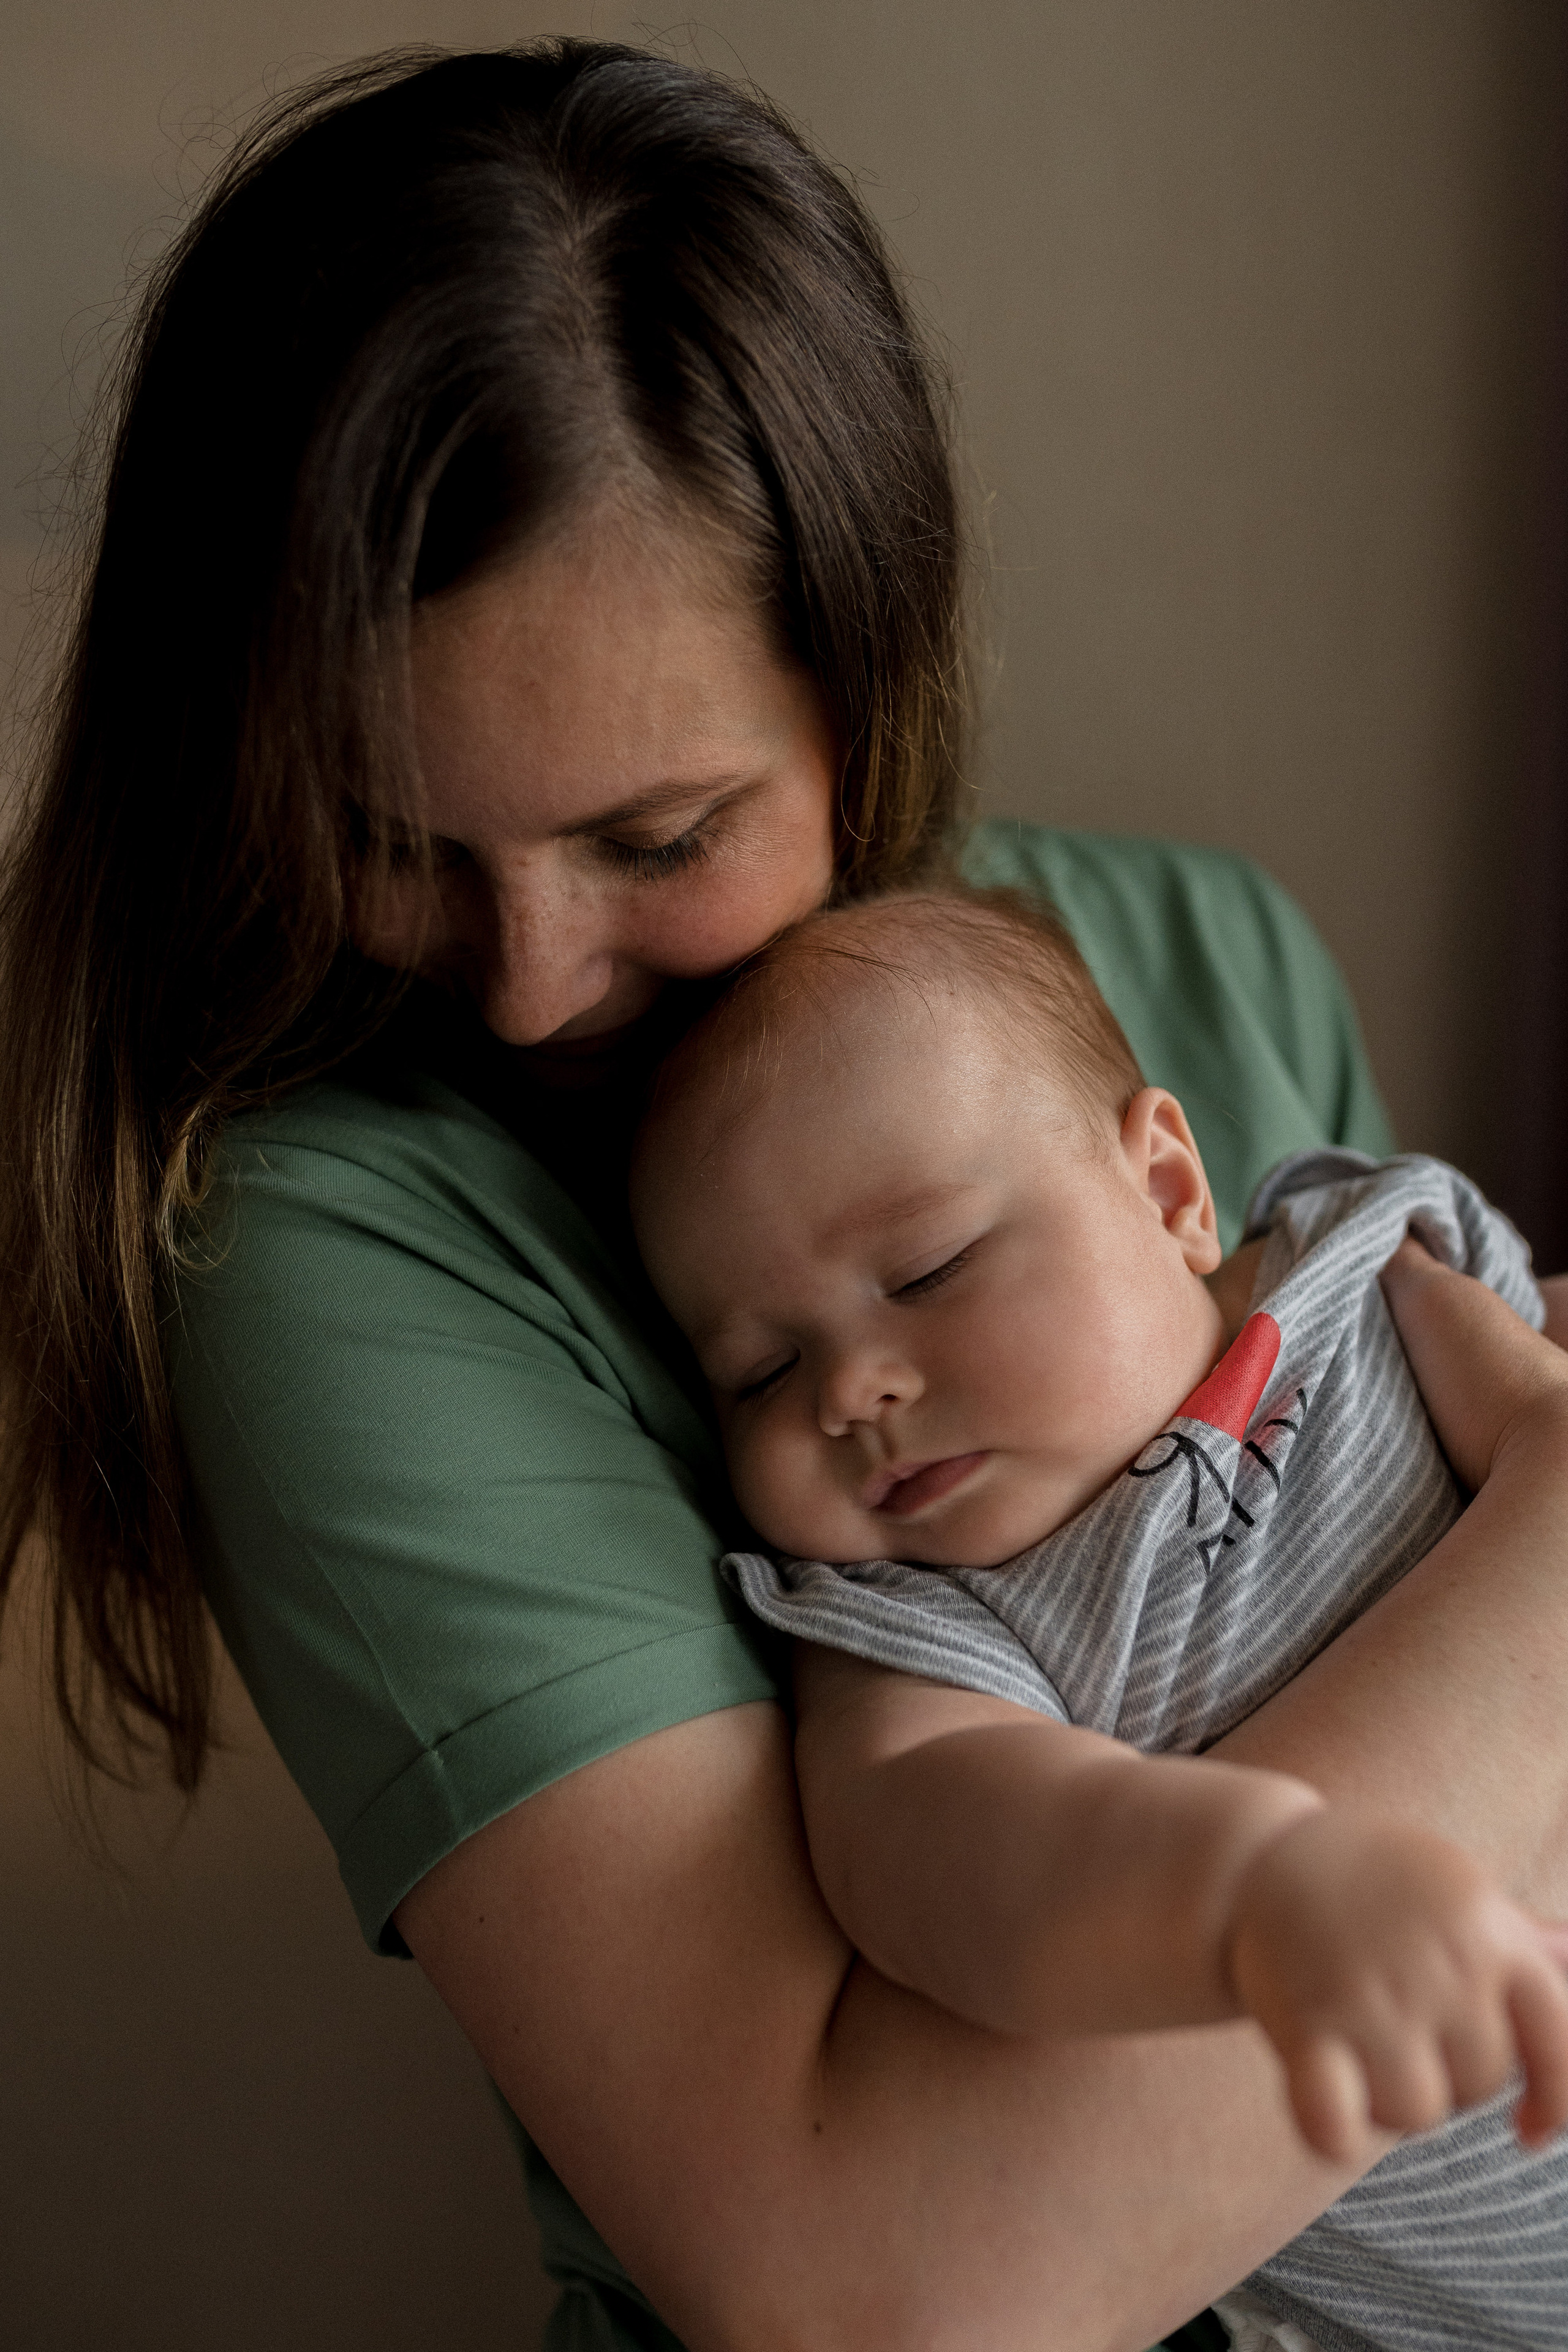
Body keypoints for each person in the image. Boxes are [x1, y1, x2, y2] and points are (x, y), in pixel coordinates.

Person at [4, 39, 1568, 2352]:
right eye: (394, 843)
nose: (531, 991)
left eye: (657, 839)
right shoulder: (323, 1236)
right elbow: (892, 2283)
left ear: (868, 684)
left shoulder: (1219, 969)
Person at [630, 886, 1568, 2352]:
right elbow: (963, 1864)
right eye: (759, 1371)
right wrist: (1253, 1888)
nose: (847, 1390)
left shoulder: (1359, 1273)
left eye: (927, 1269)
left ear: (1170, 1194)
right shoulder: (922, 1624)